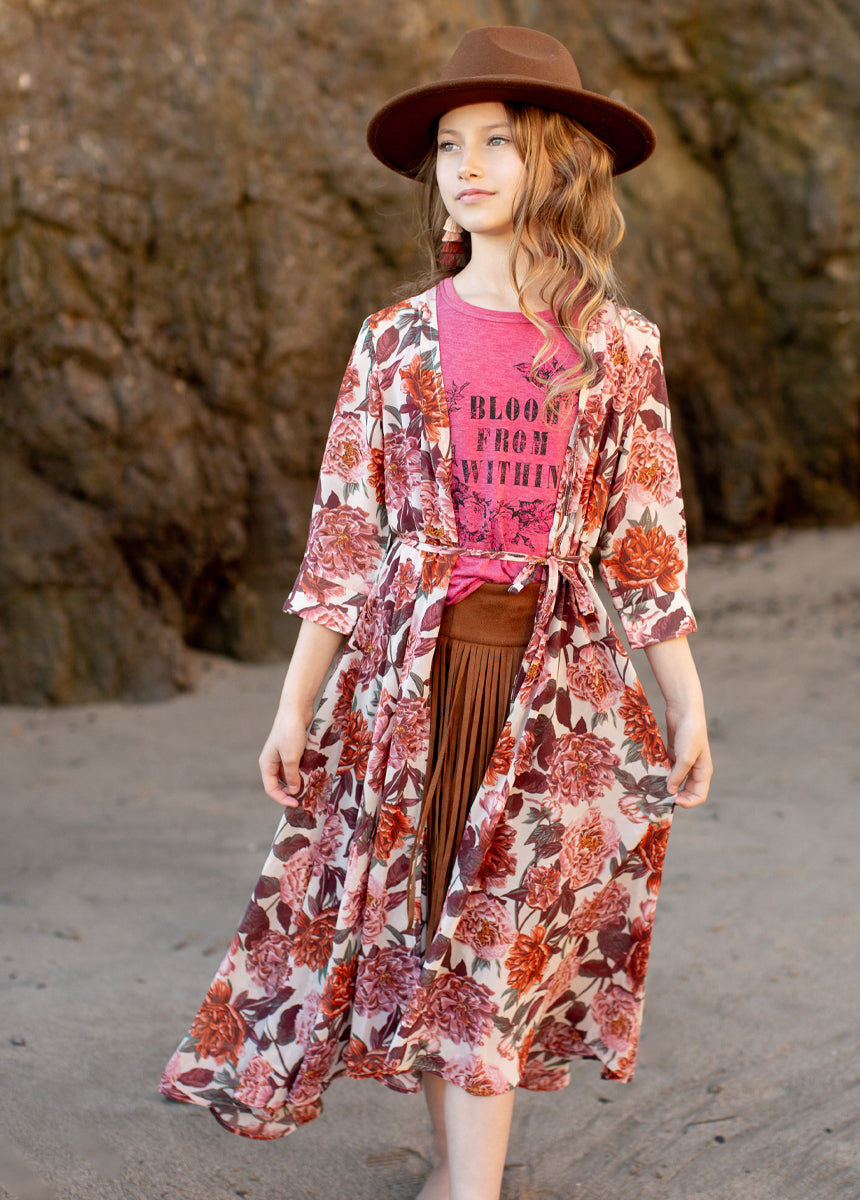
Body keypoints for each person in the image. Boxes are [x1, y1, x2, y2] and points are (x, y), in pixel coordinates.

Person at [159, 25, 712, 1200]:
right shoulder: (392, 340)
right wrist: (293, 706)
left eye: (497, 142)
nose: (465, 165)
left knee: (496, 932)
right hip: (408, 686)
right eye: (449, 145)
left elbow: (642, 535)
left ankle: (469, 1188)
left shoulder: (616, 349)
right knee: (422, 929)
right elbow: (345, 538)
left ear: (557, 163)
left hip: (552, 692)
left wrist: (683, 700)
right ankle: (460, 1173)